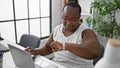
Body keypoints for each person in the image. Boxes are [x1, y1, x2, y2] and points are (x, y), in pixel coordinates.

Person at [26, 1, 100, 68]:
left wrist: (64, 46)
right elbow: (48, 48)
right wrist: (35, 51)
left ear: (79, 18)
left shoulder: (86, 32)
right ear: (62, 16)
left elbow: (94, 52)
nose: (68, 23)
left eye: (73, 20)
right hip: (58, 65)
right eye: (65, 19)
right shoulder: (57, 29)